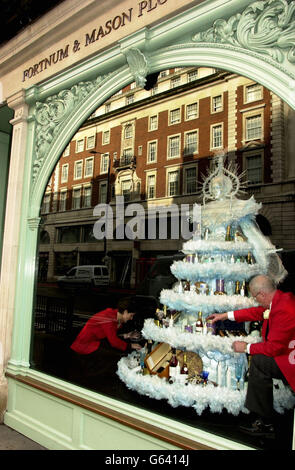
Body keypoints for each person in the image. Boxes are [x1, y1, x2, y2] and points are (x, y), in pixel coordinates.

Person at [207, 275, 295, 438]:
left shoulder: (284, 309)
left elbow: (274, 348)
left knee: (260, 362)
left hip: (290, 360)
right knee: (261, 360)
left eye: (255, 297)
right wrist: (225, 315)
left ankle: (265, 423)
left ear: (261, 294)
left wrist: (246, 347)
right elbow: (258, 312)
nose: (256, 301)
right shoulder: (279, 299)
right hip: (288, 352)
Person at [69, 297, 141, 387]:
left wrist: (127, 335)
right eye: (131, 315)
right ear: (125, 312)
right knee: (114, 358)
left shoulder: (114, 315)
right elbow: (114, 342)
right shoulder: (109, 318)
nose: (131, 318)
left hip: (94, 342)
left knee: (114, 355)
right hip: (84, 345)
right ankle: (95, 384)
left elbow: (110, 335)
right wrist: (130, 346)